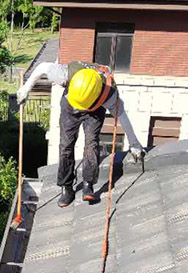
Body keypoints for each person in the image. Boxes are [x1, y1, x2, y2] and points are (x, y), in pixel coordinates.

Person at [17, 62, 143, 207]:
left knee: (91, 143)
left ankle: (88, 184)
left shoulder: (109, 95)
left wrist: (134, 144)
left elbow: (122, 116)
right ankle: (66, 187)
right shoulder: (66, 74)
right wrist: (26, 89)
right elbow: (43, 67)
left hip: (95, 111)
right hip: (70, 105)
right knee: (66, 145)